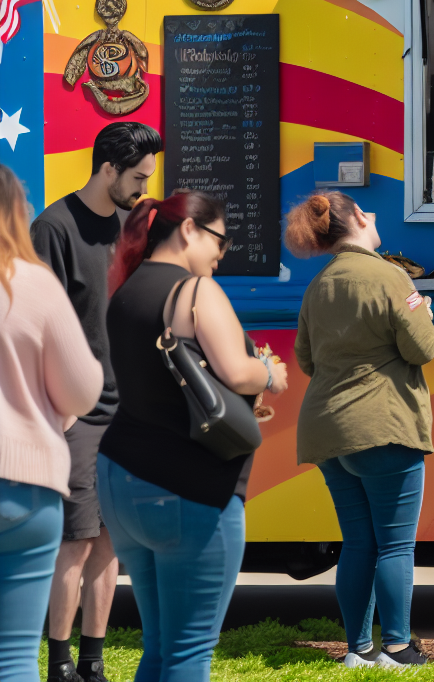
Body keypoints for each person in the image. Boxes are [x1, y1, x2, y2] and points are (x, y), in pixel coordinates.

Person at [97, 191, 287, 682]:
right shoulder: (195, 290)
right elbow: (237, 372)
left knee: (160, 647)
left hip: (122, 479)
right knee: (189, 652)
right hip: (190, 487)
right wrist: (269, 372)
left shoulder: (125, 288)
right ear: (188, 230)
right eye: (220, 242)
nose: (221, 256)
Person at [285, 192, 434, 669]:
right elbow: (423, 349)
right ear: (355, 218)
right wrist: (424, 313)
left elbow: (306, 359)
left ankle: (358, 650)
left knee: (357, 541)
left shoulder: (319, 285)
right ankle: (397, 648)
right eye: (367, 210)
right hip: (383, 424)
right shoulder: (391, 277)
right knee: (395, 543)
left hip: (327, 429)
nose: (374, 214)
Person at [31, 121, 162, 682]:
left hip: (127, 413)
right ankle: (59, 665)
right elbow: (35, 324)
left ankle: (92, 662)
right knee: (76, 542)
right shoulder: (52, 227)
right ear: (108, 168)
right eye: (137, 178)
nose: (144, 188)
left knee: (111, 543)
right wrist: (57, 413)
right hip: (76, 416)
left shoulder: (132, 230)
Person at [0, 166, 104, 682]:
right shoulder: (33, 283)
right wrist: (54, 412)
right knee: (15, 657)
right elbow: (83, 389)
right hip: (28, 486)